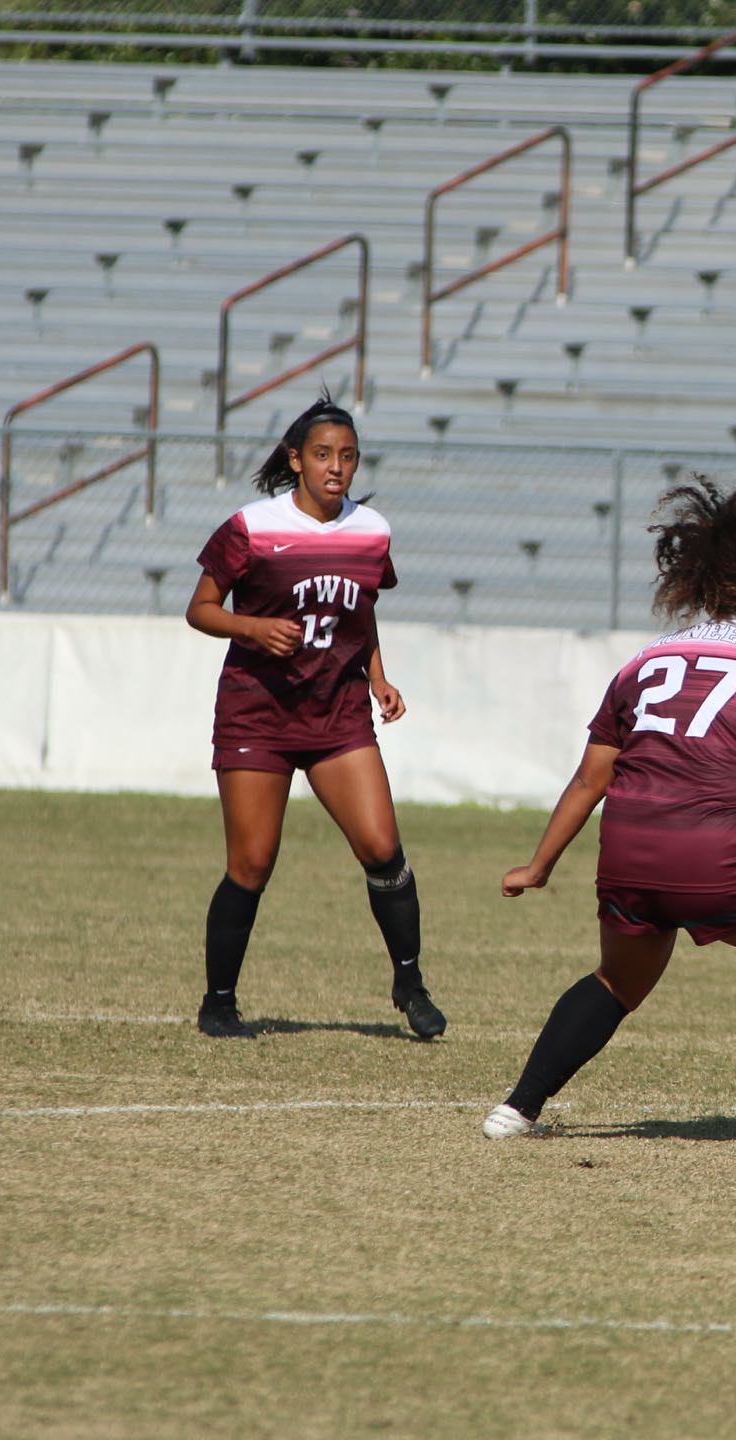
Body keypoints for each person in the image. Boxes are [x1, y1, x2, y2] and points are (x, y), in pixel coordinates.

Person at [483, 463, 736, 1152]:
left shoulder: (643, 662)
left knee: (618, 979)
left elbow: (587, 780)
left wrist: (539, 865)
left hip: (628, 853)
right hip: (720, 853)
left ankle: (516, 1109)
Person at [185, 396, 445, 1041]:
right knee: (252, 863)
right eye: (323, 455)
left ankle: (410, 984)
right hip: (258, 715)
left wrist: (378, 678)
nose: (336, 467)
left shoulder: (372, 530)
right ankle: (219, 1003)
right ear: (296, 459)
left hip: (338, 714)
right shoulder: (251, 526)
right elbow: (201, 608)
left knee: (383, 850)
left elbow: (362, 612)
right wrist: (251, 627)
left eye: (348, 456)